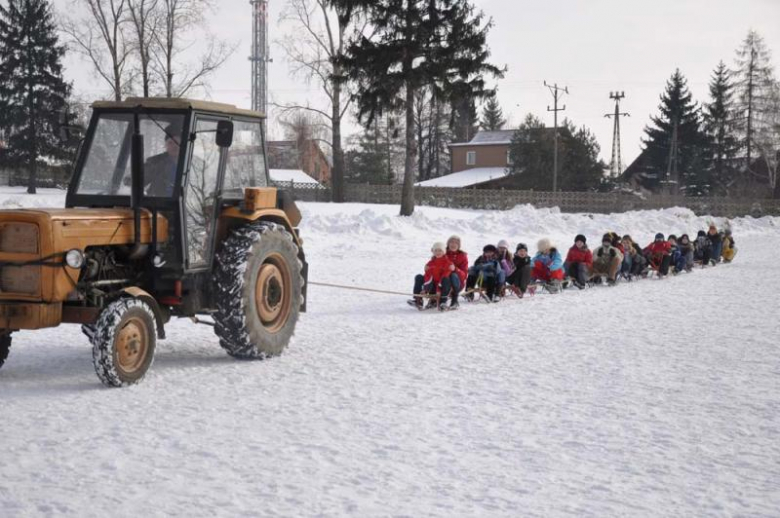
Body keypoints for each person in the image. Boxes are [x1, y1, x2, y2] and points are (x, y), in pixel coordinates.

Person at [410, 242, 455, 311]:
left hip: (442, 288)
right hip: (432, 286)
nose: (438, 252)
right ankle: (418, 300)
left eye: (440, 250)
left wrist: (438, 291)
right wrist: (425, 289)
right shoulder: (431, 263)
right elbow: (428, 277)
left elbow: (444, 277)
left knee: (446, 279)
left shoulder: (448, 263)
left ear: (444, 252)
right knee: (418, 277)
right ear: (433, 252)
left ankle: (443, 302)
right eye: (435, 250)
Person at [145, 124, 182, 197]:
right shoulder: (155, 162)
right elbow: (139, 179)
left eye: (177, 142)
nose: (174, 146)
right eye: (170, 143)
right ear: (165, 145)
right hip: (159, 204)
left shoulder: (192, 164)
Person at [445, 235, 468, 309]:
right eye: (451, 242)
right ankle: (434, 300)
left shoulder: (462, 256)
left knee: (453, 275)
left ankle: (454, 300)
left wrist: (455, 269)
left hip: (457, 283)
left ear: (458, 246)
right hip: (443, 280)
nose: (453, 244)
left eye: (456, 243)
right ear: (448, 244)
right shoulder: (442, 253)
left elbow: (464, 275)